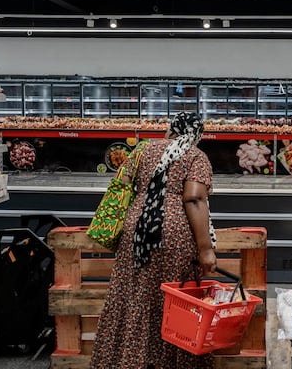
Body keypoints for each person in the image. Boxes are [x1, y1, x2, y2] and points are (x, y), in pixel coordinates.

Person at [90, 112, 217, 369]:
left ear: (170, 129)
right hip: (174, 233)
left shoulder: (141, 151)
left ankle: (130, 360)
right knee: (175, 299)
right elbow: (193, 199)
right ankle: (171, 361)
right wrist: (206, 249)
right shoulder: (195, 156)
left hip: (136, 230)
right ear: (197, 135)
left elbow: (122, 183)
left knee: (135, 294)